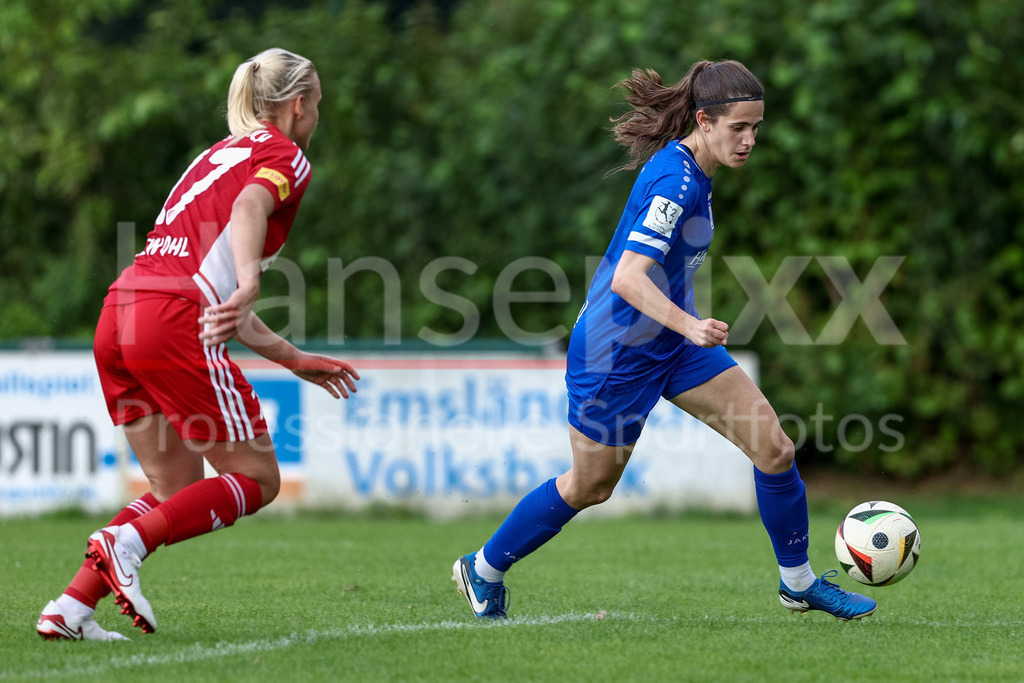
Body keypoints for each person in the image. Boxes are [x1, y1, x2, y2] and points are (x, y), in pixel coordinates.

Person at [451, 60, 876, 622]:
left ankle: (797, 582)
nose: (749, 140)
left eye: (756, 128)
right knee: (589, 486)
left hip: (670, 344)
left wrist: (683, 330)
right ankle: (482, 569)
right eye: (738, 129)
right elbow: (629, 277)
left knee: (773, 447)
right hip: (615, 354)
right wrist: (691, 325)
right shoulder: (674, 181)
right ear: (704, 120)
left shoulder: (696, 171)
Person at [36, 48, 359, 641]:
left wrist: (294, 359)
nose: (319, 114)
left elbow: (225, 311)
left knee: (174, 492)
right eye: (318, 103)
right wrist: (253, 278)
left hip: (122, 315)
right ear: (297, 105)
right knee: (258, 479)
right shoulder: (284, 154)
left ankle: (70, 607)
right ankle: (122, 544)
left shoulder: (215, 153)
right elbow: (248, 208)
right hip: (170, 318)